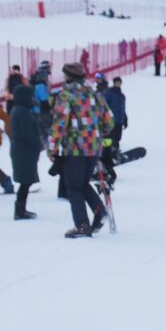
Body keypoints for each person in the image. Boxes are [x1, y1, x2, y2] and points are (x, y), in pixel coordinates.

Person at [48, 62, 113, 238]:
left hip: (75, 148)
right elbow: (109, 121)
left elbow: (59, 125)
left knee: (73, 187)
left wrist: (52, 148)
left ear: (67, 77)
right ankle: (99, 210)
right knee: (82, 183)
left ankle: (82, 226)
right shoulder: (95, 95)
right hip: (94, 148)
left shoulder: (66, 96)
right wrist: (96, 134)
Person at [8, 84, 42, 220]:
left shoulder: (19, 110)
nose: (32, 99)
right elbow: (27, 133)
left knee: (26, 181)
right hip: (24, 151)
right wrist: (38, 144)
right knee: (25, 181)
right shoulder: (22, 112)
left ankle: (21, 209)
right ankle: (19, 211)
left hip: (23, 150)